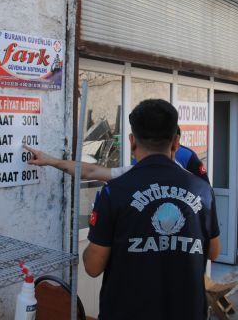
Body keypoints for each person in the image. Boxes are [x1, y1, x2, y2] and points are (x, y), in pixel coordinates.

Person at [83, 99, 220, 320]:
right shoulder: (202, 190)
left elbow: (92, 266)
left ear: (132, 141)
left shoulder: (114, 191)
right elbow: (213, 251)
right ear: (176, 142)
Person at [23, 128, 209, 183]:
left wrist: (51, 160)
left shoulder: (191, 178)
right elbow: (90, 171)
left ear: (132, 141)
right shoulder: (194, 186)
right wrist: (50, 160)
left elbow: (93, 266)